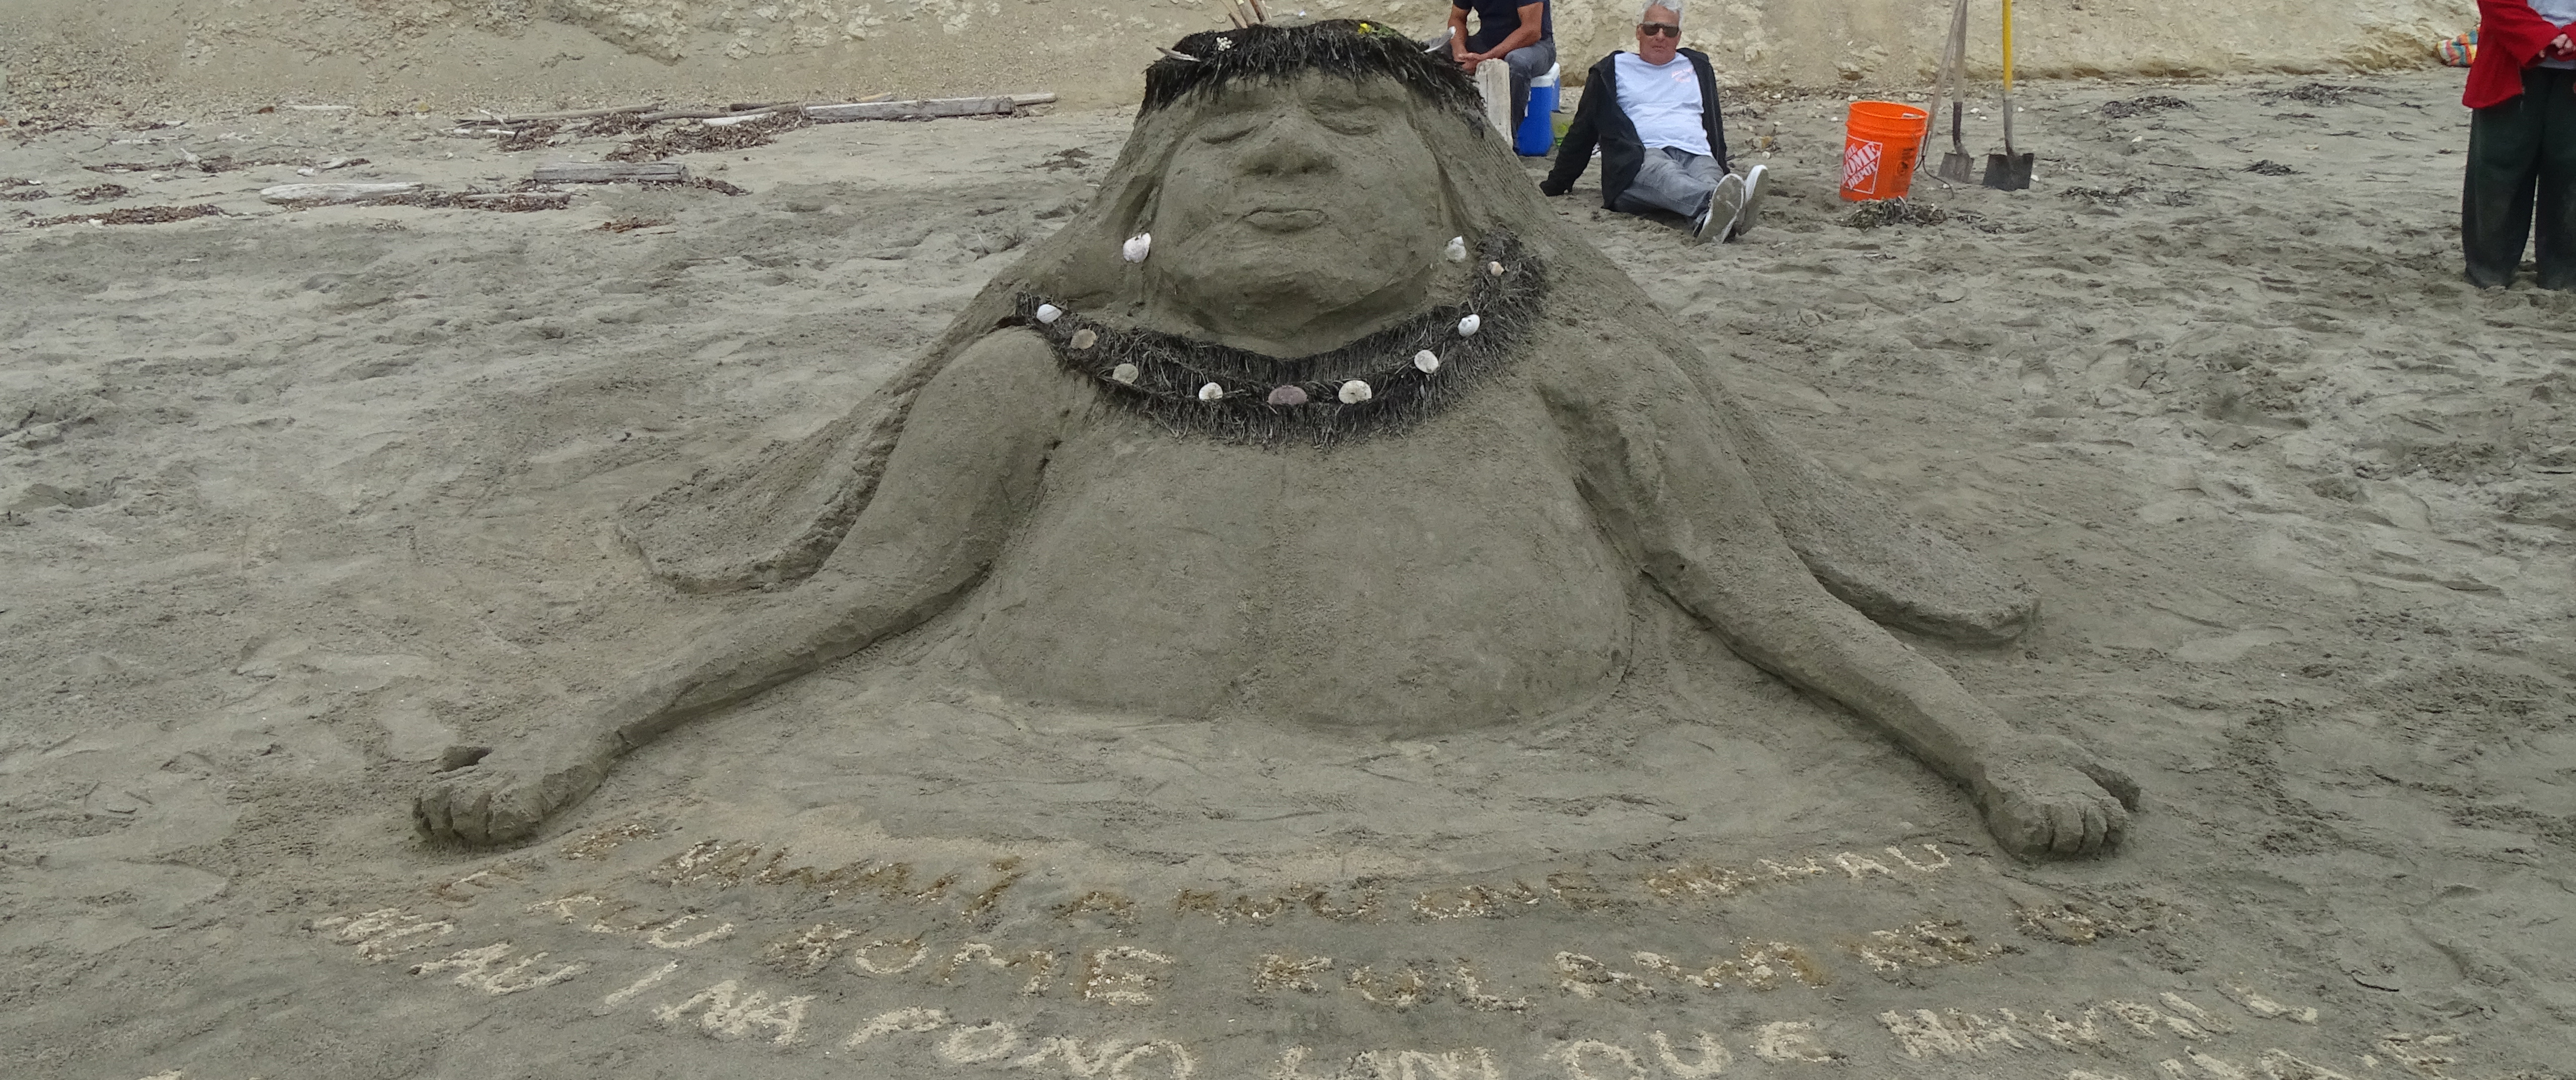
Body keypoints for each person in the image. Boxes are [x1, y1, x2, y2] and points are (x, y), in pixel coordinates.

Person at [419, 21, 2133, 861]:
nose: (1285, 158)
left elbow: (1756, 589)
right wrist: (593, 726)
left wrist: (1990, 756)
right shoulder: (1029, 386)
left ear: (1457, 191)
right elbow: (860, 594)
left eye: (1346, 126)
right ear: (1148, 197)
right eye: (1231, 133)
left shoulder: (1575, 377)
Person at [1540, 1, 1769, 242]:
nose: (1660, 36)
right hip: (1640, 158)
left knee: (1711, 179)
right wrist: (1557, 183)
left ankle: (1714, 218)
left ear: (1678, 36)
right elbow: (1582, 131)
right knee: (1667, 174)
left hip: (1696, 152)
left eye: (1669, 31)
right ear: (1639, 32)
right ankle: (1731, 207)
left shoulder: (1698, 66)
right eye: (1652, 29)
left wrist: (1722, 164)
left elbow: (1714, 125)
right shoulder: (1611, 70)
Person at [2464, 0, 2576, 288]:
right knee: (2498, 167)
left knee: (2572, 172)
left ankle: (2565, 275)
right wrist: (2534, 34)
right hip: (2509, 59)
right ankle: (2489, 270)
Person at [1437, 0, 1555, 134]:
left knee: (1517, 63)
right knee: (1436, 53)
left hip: (1536, 46)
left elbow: (1532, 30)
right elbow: (1457, 18)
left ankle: (1508, 139)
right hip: (1487, 42)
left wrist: (1487, 58)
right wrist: (1460, 52)